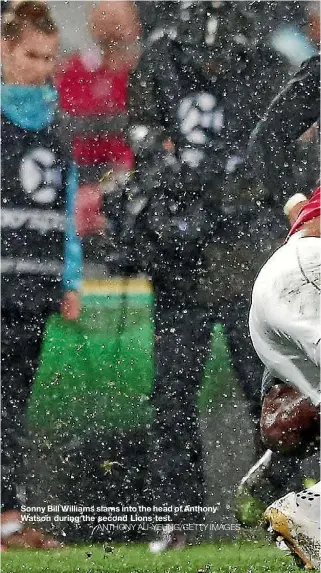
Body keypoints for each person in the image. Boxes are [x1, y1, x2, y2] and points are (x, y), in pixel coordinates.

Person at [117, 0, 293, 552]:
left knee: (270, 395)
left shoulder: (269, 67)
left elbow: (285, 160)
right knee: (172, 396)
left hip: (247, 265)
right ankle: (177, 516)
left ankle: (286, 508)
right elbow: (143, 147)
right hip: (181, 263)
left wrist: (236, 192)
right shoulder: (159, 60)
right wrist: (177, 192)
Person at [1, 1, 82, 550]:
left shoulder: (57, 127)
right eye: (32, 56)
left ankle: (9, 519)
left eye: (51, 57)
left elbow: (67, 212)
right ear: (4, 50)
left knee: (11, 406)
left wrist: (70, 278)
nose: (43, 68)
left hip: (33, 287)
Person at [248, 53, 320, 570]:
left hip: (287, 273)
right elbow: (267, 142)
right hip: (309, 271)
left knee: (298, 413)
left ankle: (290, 455)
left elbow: (264, 141)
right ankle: (305, 504)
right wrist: (298, 205)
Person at [55, 1, 141, 243]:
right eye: (104, 17)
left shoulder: (148, 75)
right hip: (77, 176)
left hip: (130, 179)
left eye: (117, 20)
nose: (110, 27)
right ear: (91, 24)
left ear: (136, 26)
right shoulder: (71, 72)